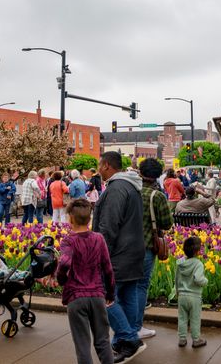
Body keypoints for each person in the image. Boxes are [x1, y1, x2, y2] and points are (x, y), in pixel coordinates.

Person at [92, 151, 146, 363]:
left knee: (103, 297)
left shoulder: (116, 189)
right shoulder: (132, 186)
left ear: (106, 165)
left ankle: (129, 338)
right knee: (127, 296)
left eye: (99, 165)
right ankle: (125, 340)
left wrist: (98, 255)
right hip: (133, 252)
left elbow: (108, 227)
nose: (98, 169)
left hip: (117, 255)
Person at [56, 198, 116, 364]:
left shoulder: (69, 241)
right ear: (89, 219)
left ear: (70, 219)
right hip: (97, 295)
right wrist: (110, 293)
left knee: (82, 345)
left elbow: (64, 263)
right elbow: (108, 269)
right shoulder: (98, 238)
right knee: (103, 341)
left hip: (76, 297)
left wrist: (61, 280)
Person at [135, 158, 173, 340]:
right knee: (141, 285)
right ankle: (137, 326)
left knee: (128, 285)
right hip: (147, 246)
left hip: (125, 246)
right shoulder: (156, 196)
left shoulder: (130, 191)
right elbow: (166, 223)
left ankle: (125, 324)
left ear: (140, 172)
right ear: (157, 175)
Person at [176, 235, 208, 348]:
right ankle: (196, 340)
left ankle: (182, 339)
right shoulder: (198, 264)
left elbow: (177, 279)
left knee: (182, 318)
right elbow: (198, 279)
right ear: (198, 252)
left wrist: (177, 291)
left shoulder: (180, 263)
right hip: (194, 296)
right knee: (195, 319)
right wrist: (205, 281)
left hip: (182, 295)